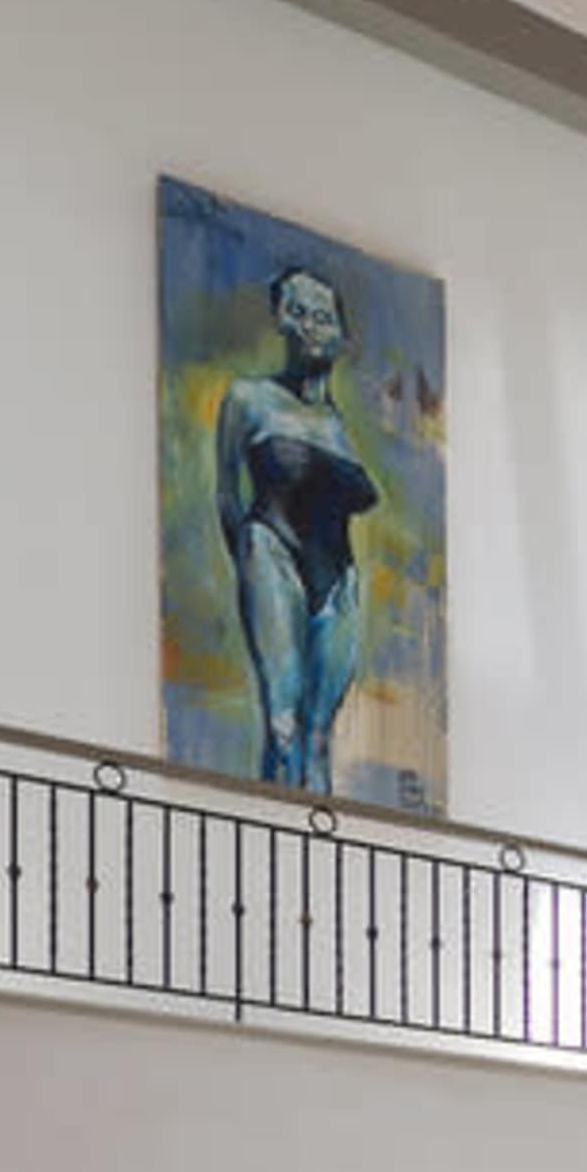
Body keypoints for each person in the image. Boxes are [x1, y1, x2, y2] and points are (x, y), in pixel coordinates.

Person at [211, 264, 380, 793]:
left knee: (318, 737)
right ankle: (268, 847)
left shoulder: (338, 426)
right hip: (271, 549)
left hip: (337, 574)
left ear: (342, 334)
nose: (309, 326)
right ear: (281, 320)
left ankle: (321, 853)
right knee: (282, 723)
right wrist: (249, 554)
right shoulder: (249, 399)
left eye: (323, 317)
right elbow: (225, 490)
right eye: (298, 313)